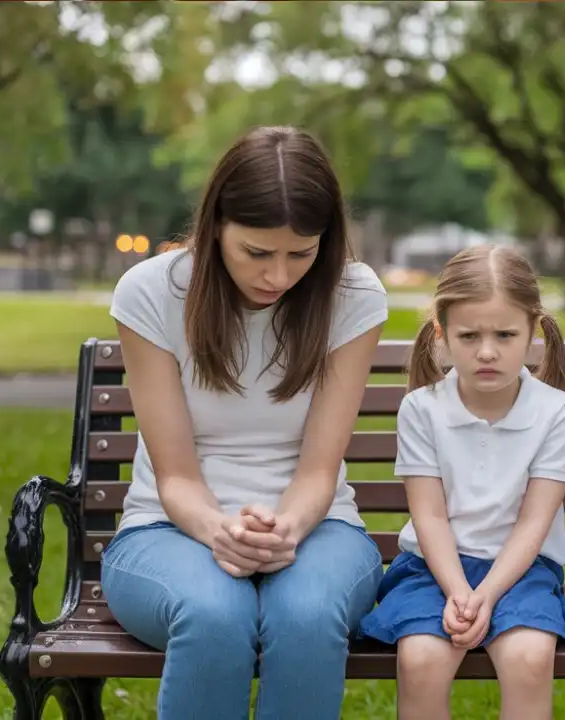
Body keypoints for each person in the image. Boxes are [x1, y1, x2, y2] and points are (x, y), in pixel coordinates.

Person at [98, 126, 389, 718]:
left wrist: (283, 529)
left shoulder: (352, 294)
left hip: (318, 526)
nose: (279, 277)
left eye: (301, 254)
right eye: (257, 252)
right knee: (213, 615)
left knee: (306, 614)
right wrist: (220, 531)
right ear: (216, 228)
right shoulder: (152, 293)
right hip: (167, 528)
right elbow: (175, 476)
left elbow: (318, 471)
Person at [357, 244, 565, 720]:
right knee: (421, 660)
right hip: (433, 569)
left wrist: (485, 594)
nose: (487, 351)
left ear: (532, 332)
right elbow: (429, 514)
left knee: (528, 658)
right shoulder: (423, 409)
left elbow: (533, 523)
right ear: (442, 335)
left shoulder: (554, 411)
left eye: (505, 334)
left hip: (522, 571)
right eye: (469, 336)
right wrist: (459, 591)